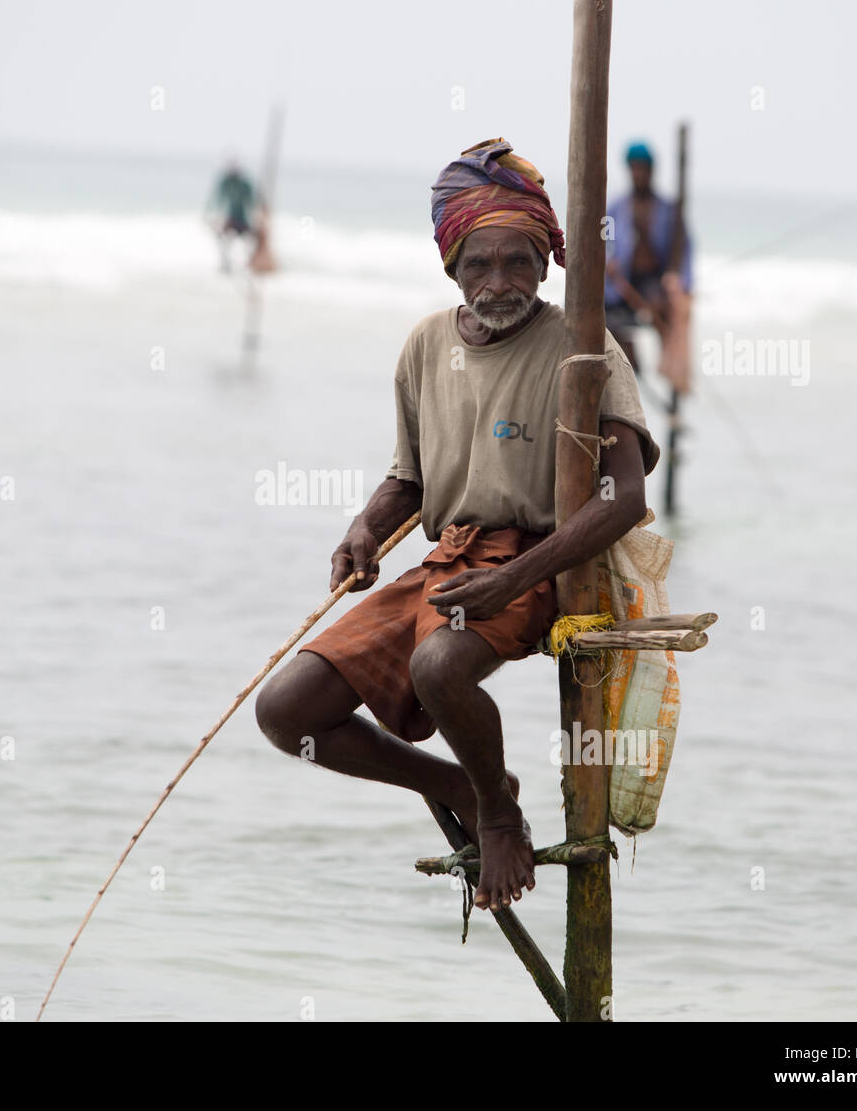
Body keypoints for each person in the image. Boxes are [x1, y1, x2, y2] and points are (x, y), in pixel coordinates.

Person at [255, 138, 659, 913]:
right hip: (448, 560)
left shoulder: (582, 348)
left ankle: (500, 816)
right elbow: (410, 477)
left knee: (440, 669)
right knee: (287, 712)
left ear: (546, 263)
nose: (500, 281)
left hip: (545, 562)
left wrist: (512, 579)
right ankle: (469, 785)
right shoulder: (425, 346)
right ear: (450, 264)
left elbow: (624, 498)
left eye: (519, 261)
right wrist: (364, 531)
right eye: (480, 264)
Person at [603, 141, 692, 374]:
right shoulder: (617, 208)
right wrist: (608, 262)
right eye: (635, 168)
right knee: (597, 315)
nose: (639, 174)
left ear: (651, 170)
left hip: (653, 280)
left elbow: (685, 249)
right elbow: (603, 241)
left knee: (661, 306)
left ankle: (670, 364)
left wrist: (681, 280)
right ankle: (630, 360)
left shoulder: (667, 209)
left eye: (643, 168)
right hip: (624, 282)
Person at [206, 160, 257, 272]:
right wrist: (214, 217)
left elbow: (252, 203)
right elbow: (218, 201)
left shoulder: (245, 185)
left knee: (249, 243)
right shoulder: (226, 183)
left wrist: (256, 219)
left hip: (243, 219)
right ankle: (226, 264)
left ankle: (247, 263)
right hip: (231, 219)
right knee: (224, 241)